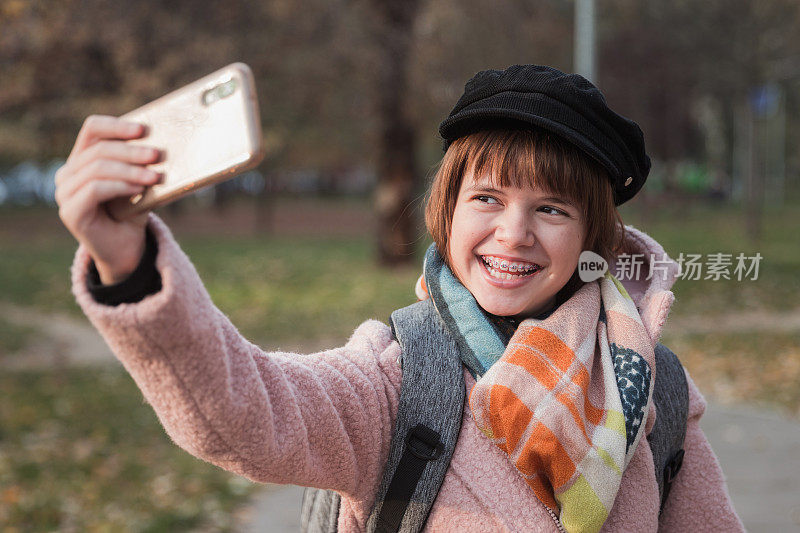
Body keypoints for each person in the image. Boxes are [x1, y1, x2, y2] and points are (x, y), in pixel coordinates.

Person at [56, 65, 744, 532]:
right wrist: (131, 267)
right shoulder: (398, 376)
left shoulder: (654, 390)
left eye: (553, 209)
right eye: (486, 198)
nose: (514, 233)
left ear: (594, 234)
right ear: (446, 211)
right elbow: (242, 409)